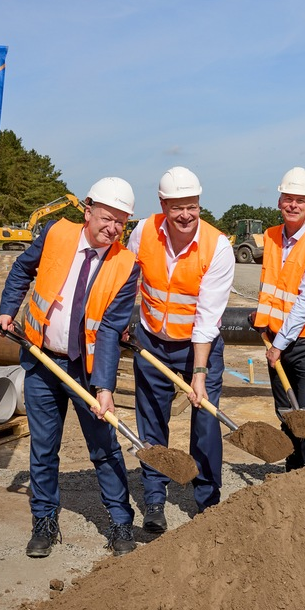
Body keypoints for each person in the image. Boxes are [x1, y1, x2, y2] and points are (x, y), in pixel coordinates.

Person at [0, 177, 140, 558]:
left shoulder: (126, 265)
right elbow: (23, 270)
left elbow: (108, 328)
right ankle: (44, 521)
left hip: (87, 370)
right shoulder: (56, 233)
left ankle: (121, 523)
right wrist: (8, 311)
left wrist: (104, 388)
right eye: (107, 218)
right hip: (42, 360)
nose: (113, 228)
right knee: (44, 449)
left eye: (121, 222)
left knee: (104, 448)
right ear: (88, 211)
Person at [125, 167, 234, 533]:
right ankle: (155, 499)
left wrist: (199, 375)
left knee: (205, 422)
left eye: (192, 206)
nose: (186, 215)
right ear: (163, 205)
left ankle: (208, 503)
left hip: (196, 347)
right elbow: (127, 280)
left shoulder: (217, 246)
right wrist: (127, 327)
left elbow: (207, 316)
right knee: (153, 421)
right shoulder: (143, 232)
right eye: (177, 207)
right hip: (152, 342)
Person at [253, 167, 305, 470]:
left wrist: (280, 344)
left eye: (300, 200)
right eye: (288, 198)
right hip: (276, 339)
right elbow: (271, 286)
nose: (293, 205)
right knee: (287, 415)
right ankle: (293, 479)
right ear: (279, 202)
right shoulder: (271, 237)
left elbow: (304, 303)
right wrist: (261, 319)